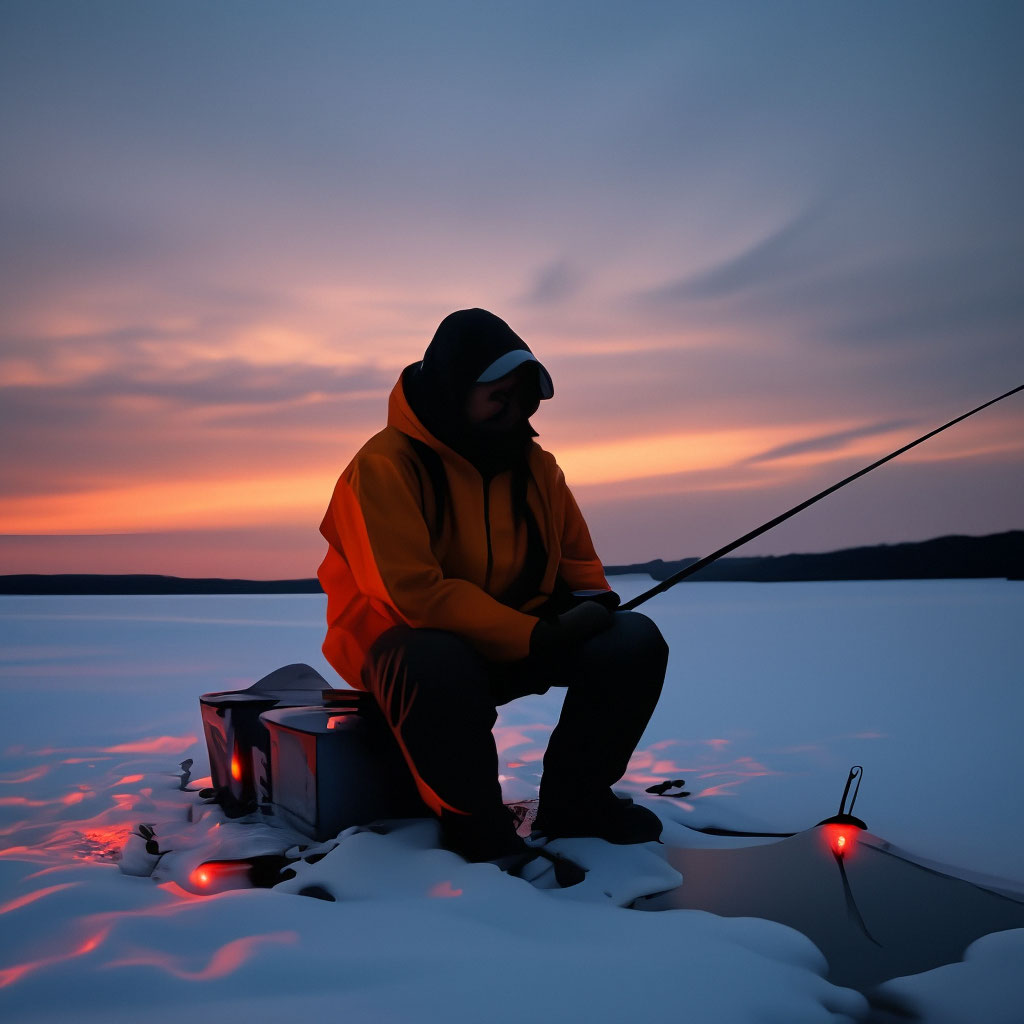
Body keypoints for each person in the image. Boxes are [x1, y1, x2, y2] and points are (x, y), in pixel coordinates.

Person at [317, 308, 668, 868]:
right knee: (433, 658)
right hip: (405, 649)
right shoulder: (382, 467)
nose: (514, 410)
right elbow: (413, 595)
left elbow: (577, 562)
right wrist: (536, 634)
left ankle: (576, 805)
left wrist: (591, 607)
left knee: (633, 641)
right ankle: (474, 827)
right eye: (498, 396)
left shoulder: (538, 467)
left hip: (524, 636)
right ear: (456, 390)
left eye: (523, 398)